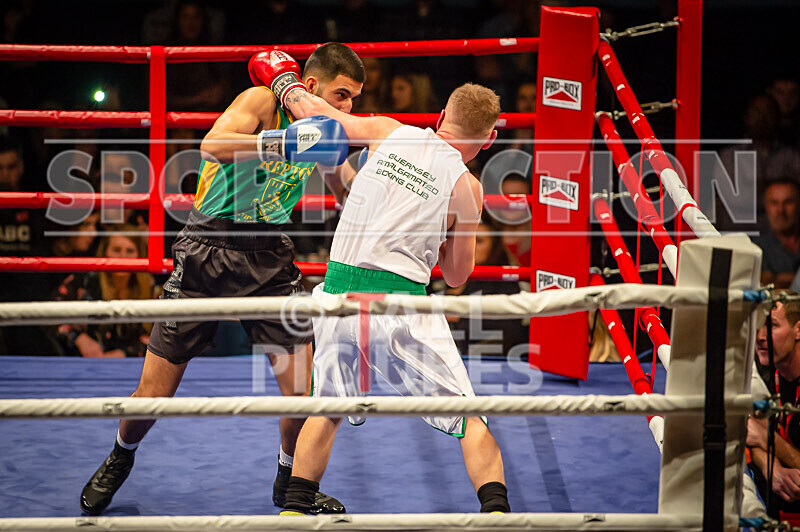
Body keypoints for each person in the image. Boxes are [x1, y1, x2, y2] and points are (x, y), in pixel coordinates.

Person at [79, 42, 364, 516]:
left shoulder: (325, 130)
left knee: (301, 391)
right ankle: (120, 456)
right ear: (311, 85)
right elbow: (212, 145)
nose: (348, 107)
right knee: (154, 393)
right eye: (342, 94)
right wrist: (283, 143)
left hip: (270, 257)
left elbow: (345, 189)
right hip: (207, 248)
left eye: (354, 98)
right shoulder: (262, 101)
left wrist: (392, 184)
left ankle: (290, 480)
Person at [253, 55, 510, 515]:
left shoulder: (389, 131)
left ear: (440, 117)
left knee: (327, 407)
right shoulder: (468, 187)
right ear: (489, 139)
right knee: (471, 419)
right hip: (400, 304)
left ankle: (293, 510)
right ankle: (498, 516)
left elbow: (320, 116)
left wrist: (285, 84)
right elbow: (456, 276)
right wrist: (445, 233)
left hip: (336, 296)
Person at [54, 226, 156, 358]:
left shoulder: (148, 286)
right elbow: (50, 314)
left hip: (132, 365)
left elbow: (160, 336)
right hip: (80, 362)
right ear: (105, 252)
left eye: (130, 251)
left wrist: (125, 353)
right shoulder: (85, 280)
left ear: (139, 255)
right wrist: (78, 337)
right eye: (116, 250)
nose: (123, 257)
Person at [747, 294, 800, 520]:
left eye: (772, 326)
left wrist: (768, 437)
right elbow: (751, 435)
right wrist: (774, 469)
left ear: (798, 330)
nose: (761, 336)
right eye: (759, 325)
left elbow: (758, 433)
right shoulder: (761, 370)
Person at [754, 179, 800, 288]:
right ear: (766, 206)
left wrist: (780, 277)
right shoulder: (756, 247)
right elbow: (766, 284)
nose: (780, 210)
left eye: (788, 202)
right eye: (774, 203)